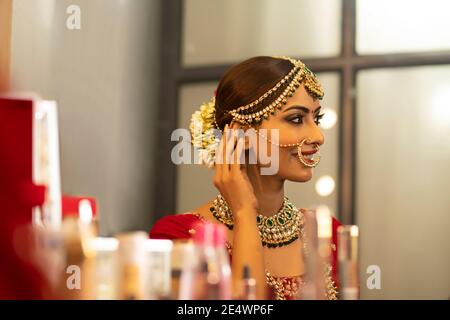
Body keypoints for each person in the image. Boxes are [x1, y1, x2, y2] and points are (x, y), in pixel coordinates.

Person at [150, 56, 340, 300]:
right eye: (296, 119)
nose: (318, 136)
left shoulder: (328, 234)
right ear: (242, 134)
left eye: (317, 118)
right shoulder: (180, 239)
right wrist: (243, 212)